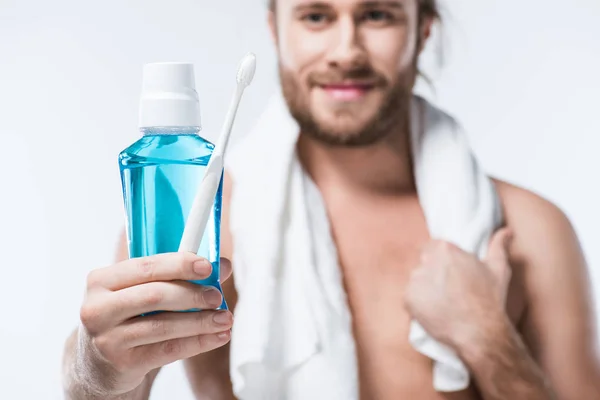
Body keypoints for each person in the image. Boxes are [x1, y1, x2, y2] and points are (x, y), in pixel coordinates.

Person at [62, 0, 600, 399]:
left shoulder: (529, 231)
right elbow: (111, 380)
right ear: (276, 28)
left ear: (423, 28)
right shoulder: (203, 221)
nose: (346, 52)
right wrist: (98, 367)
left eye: (378, 15)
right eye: (316, 16)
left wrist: (487, 339)